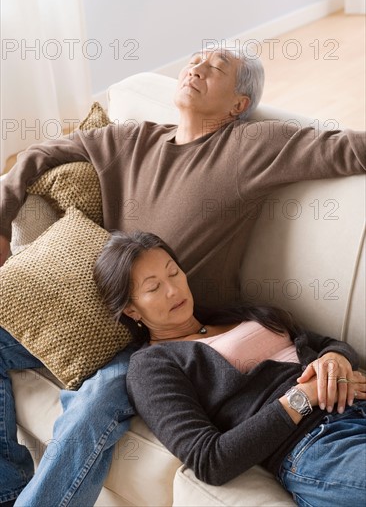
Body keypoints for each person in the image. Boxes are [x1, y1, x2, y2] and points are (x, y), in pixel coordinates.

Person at [0, 46, 365, 505]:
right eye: (195, 60)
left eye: (216, 68)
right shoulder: (129, 141)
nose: (196, 68)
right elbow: (39, 155)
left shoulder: (251, 145)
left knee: (91, 408)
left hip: (176, 341)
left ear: (238, 104)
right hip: (112, 306)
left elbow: (348, 149)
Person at [94, 229, 366, 506]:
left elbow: (329, 343)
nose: (173, 290)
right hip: (318, 442)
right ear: (132, 311)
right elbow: (210, 460)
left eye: (173, 273)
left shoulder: (235, 313)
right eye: (153, 288)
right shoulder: (151, 366)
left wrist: (335, 358)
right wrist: (304, 396)